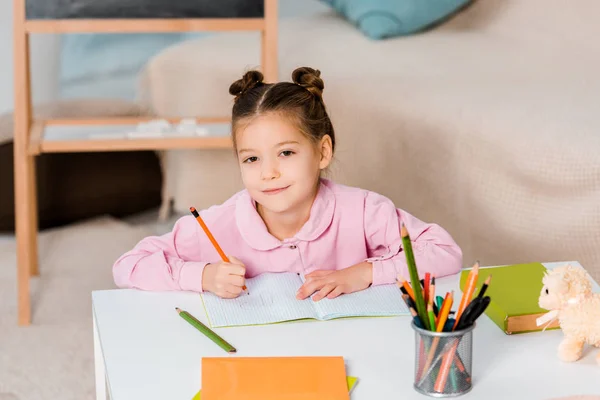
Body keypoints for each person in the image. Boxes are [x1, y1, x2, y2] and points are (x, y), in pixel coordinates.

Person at [112, 67, 462, 302]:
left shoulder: (366, 211)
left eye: (286, 153)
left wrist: (365, 272)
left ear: (322, 151)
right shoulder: (220, 223)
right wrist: (203, 276)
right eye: (251, 159)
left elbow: (445, 252)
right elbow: (128, 265)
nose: (268, 173)